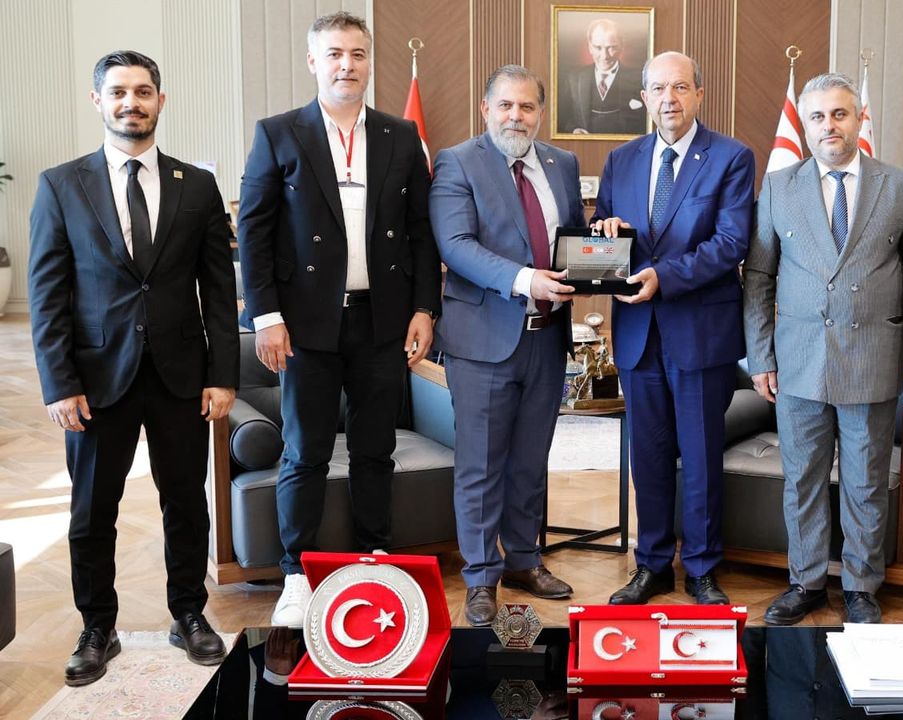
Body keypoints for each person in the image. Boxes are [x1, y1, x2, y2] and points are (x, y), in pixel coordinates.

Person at [28, 50, 238, 685]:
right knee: (93, 511)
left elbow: (219, 289)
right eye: (118, 92)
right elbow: (47, 293)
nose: (131, 103)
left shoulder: (196, 186)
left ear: (160, 101)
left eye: (143, 92)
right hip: (96, 382)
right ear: (98, 100)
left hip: (180, 376)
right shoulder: (61, 185)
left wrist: (222, 374)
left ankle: (189, 613)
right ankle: (97, 627)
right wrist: (59, 382)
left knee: (186, 503)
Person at [236, 11, 442, 627]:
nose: (346, 65)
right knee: (305, 452)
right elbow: (254, 233)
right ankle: (296, 572)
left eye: (357, 54)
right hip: (305, 326)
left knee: (377, 448)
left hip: (382, 321)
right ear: (313, 62)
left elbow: (421, 232)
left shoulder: (400, 135)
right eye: (334, 54)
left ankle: (375, 557)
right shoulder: (279, 133)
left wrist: (424, 308)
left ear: (369, 62)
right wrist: (266, 316)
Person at [744, 72, 903, 625]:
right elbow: (758, 278)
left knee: (866, 480)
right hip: (798, 361)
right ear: (804, 124)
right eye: (817, 117)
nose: (829, 126)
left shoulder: (901, 185)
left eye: (840, 114)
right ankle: (806, 582)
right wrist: (761, 356)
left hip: (873, 357)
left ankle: (862, 587)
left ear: (859, 117)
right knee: (802, 480)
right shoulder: (779, 186)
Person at [593, 51, 755, 606]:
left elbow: (731, 244)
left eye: (681, 87)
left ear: (699, 94)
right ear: (644, 97)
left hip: (700, 332)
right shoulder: (621, 159)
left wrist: (664, 276)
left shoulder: (731, 157)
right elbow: (602, 233)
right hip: (638, 333)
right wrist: (605, 230)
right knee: (649, 455)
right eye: (659, 88)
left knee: (702, 455)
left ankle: (703, 569)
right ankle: (653, 565)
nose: (669, 99)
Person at [429, 65, 583, 627]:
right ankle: (479, 576)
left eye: (527, 107)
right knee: (481, 465)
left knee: (530, 461)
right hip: (483, 341)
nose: (516, 116)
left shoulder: (562, 164)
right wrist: (524, 280)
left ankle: (523, 560)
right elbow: (455, 244)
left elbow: (572, 240)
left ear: (541, 113)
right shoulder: (457, 161)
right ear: (486, 109)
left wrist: (602, 245)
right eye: (505, 106)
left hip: (548, 339)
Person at [560, 18, 646, 135]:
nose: (604, 56)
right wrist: (573, 129)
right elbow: (562, 117)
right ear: (590, 47)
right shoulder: (574, 78)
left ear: (621, 46)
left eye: (611, 47)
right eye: (598, 48)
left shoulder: (638, 79)